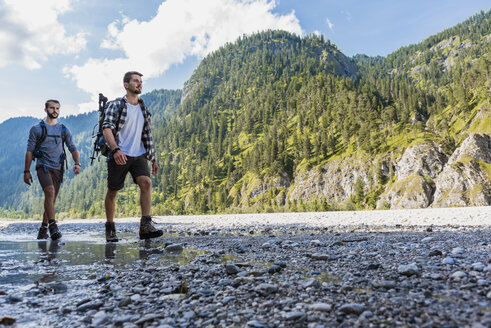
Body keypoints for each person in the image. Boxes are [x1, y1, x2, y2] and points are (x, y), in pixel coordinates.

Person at [102, 71, 163, 242]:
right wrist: (115, 150)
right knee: (113, 191)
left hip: (139, 154)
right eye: (136, 81)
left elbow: (147, 135)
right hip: (119, 154)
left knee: (146, 182)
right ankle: (110, 228)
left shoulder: (143, 108)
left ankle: (145, 226)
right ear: (126, 84)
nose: (139, 84)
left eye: (141, 81)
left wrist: (153, 158)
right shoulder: (116, 105)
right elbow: (106, 128)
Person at [24, 100, 81, 240]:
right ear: (45, 109)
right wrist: (26, 171)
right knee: (49, 192)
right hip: (43, 166)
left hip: (58, 168)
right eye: (52, 108)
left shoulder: (63, 129)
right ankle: (53, 226)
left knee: (52, 198)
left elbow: (72, 147)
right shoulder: (37, 129)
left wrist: (77, 163)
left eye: (57, 108)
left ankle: (43, 229)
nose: (55, 110)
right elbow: (29, 151)